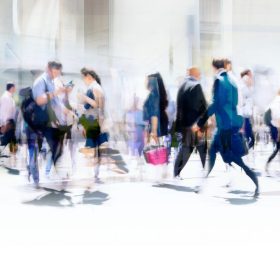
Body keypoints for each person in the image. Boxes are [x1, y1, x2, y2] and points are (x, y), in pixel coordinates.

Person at [196, 58, 259, 197]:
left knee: (229, 156)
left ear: (214, 67)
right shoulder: (232, 80)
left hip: (224, 125)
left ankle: (254, 180)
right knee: (215, 152)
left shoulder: (219, 80)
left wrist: (201, 122)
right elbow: (236, 102)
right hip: (232, 123)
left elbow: (215, 103)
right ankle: (203, 183)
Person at [27, 61, 67, 187]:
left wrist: (66, 112)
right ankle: (35, 178)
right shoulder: (41, 81)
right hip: (36, 122)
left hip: (47, 122)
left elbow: (54, 103)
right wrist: (55, 93)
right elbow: (39, 100)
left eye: (59, 73)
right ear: (49, 69)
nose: (57, 75)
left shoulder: (51, 82)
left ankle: (43, 173)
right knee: (35, 151)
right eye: (56, 72)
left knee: (54, 147)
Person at [174, 67, 208, 178]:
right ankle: (207, 170)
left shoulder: (182, 86)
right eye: (199, 74)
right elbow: (202, 106)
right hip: (195, 124)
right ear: (195, 74)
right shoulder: (196, 86)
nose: (200, 76)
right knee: (200, 147)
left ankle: (176, 172)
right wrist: (201, 123)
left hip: (183, 124)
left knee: (187, 148)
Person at [78, 67, 109, 180]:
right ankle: (95, 172)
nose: (83, 80)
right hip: (94, 121)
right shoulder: (95, 87)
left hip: (95, 121)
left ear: (89, 77)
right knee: (95, 148)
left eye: (84, 78)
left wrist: (84, 97)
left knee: (94, 148)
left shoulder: (95, 88)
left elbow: (97, 106)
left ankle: (95, 172)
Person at [143, 73, 169, 144]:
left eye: (146, 80)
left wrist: (154, 131)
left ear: (151, 82)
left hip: (157, 126)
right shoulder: (158, 94)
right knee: (158, 150)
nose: (144, 82)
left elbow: (154, 114)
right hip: (160, 124)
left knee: (155, 151)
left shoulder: (153, 95)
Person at [240, 69, 255, 149]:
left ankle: (244, 149)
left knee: (249, 135)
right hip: (244, 114)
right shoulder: (244, 87)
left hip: (246, 114)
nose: (251, 76)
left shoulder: (248, 88)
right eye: (250, 74)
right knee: (249, 136)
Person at [265, 90, 280, 172]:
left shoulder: (274, 101)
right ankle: (267, 164)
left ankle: (268, 164)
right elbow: (277, 118)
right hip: (277, 128)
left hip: (275, 128)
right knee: (277, 148)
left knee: (277, 148)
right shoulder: (277, 102)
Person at [0, 83, 17, 151]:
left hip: (10, 123)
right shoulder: (6, 97)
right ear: (12, 88)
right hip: (7, 123)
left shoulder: (9, 97)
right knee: (5, 142)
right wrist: (4, 124)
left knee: (12, 142)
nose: (15, 89)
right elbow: (4, 111)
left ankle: (12, 157)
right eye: (14, 88)